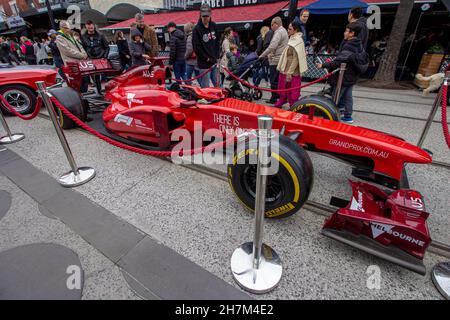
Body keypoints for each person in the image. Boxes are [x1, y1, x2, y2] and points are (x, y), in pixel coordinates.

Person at [317, 23, 367, 124]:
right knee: (348, 96)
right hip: (352, 75)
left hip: (344, 76)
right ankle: (348, 116)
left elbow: (339, 62)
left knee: (336, 95)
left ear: (352, 33)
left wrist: (323, 65)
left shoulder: (349, 45)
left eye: (346, 31)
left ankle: (331, 114)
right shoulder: (359, 44)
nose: (344, 33)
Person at [274, 20, 308, 108]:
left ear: (295, 30)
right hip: (286, 67)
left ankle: (293, 104)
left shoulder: (298, 40)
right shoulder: (293, 37)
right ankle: (282, 99)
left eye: (290, 29)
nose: (288, 30)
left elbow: (295, 59)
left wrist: (290, 72)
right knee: (283, 86)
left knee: (292, 89)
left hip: (292, 70)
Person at [258, 16, 288, 104]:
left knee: (274, 80)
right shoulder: (284, 31)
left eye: (272, 24)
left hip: (276, 60)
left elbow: (272, 46)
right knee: (279, 80)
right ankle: (280, 97)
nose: (271, 27)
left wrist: (262, 55)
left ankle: (274, 98)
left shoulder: (278, 32)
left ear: (276, 24)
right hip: (281, 59)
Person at [56, 21, 89, 92]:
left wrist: (84, 54)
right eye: (66, 28)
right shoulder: (59, 37)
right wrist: (81, 55)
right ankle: (80, 99)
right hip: (72, 64)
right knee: (77, 84)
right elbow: (67, 51)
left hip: (80, 63)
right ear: (61, 28)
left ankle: (84, 97)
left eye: (68, 28)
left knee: (85, 82)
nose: (68, 30)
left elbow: (80, 46)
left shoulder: (70, 35)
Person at [192, 3, 220, 88]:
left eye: (207, 16)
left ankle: (220, 99)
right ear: (200, 15)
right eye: (204, 16)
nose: (205, 18)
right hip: (204, 62)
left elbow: (217, 41)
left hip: (214, 60)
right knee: (205, 85)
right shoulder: (196, 29)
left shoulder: (214, 25)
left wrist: (217, 56)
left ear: (210, 15)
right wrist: (206, 58)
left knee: (217, 83)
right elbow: (196, 47)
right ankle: (206, 99)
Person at [81, 20, 110, 94]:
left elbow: (107, 47)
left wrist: (105, 57)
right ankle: (99, 91)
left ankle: (103, 90)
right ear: (86, 27)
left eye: (91, 26)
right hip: (91, 59)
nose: (90, 27)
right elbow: (83, 48)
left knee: (104, 75)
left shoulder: (101, 35)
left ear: (94, 26)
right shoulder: (83, 37)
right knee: (95, 76)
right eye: (88, 26)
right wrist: (86, 57)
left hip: (101, 58)